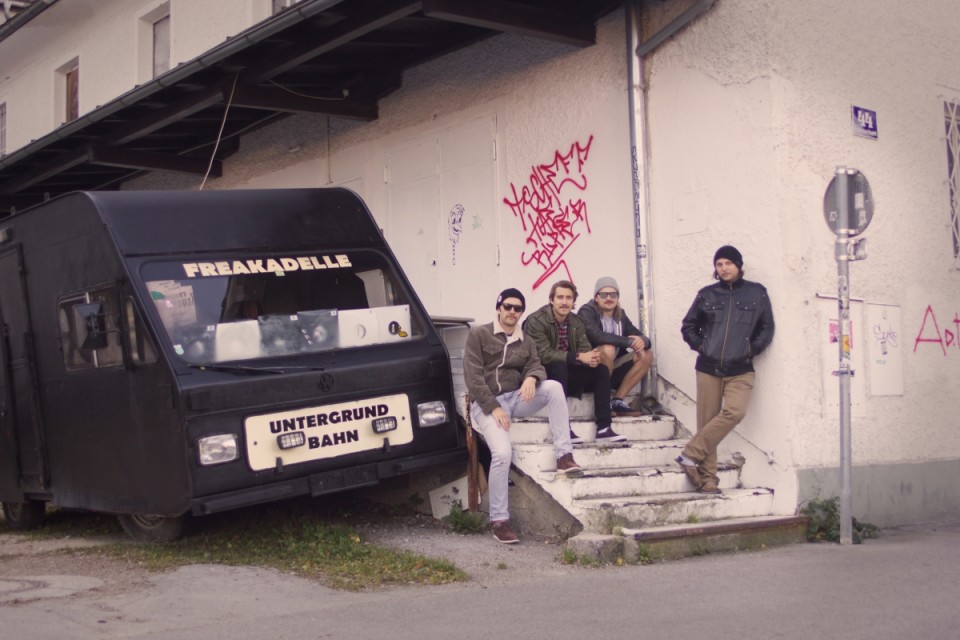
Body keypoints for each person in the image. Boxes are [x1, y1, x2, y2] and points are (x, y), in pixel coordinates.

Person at [463, 288, 583, 544]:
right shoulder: (479, 334)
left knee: (553, 388)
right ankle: (499, 520)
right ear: (499, 308)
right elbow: (472, 378)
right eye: (507, 306)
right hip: (486, 405)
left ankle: (564, 455)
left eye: (517, 308)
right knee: (503, 454)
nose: (512, 312)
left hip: (515, 399)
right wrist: (493, 407)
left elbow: (536, 364)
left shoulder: (525, 340)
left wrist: (531, 377)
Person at [677, 245, 775, 494]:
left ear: (738, 265)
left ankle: (691, 453)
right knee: (707, 421)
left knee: (735, 411)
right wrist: (703, 347)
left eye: (728, 263)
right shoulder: (706, 295)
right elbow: (689, 326)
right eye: (719, 264)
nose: (723, 268)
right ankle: (709, 480)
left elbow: (767, 327)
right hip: (708, 368)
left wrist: (750, 350)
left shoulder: (756, 293)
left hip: (741, 368)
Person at [523, 280, 626, 442]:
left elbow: (584, 347)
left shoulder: (576, 322)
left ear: (573, 301)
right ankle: (563, 429)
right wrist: (578, 357)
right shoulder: (537, 320)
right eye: (560, 297)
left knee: (601, 370)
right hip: (542, 375)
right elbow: (542, 354)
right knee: (559, 365)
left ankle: (604, 428)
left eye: (569, 298)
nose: (564, 302)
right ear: (552, 300)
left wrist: (590, 359)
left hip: (566, 373)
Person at [578, 277, 654, 416]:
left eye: (613, 294)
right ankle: (603, 401)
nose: (609, 298)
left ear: (617, 297)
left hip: (614, 369)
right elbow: (597, 336)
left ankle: (617, 401)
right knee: (608, 348)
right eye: (603, 294)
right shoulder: (586, 312)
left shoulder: (620, 315)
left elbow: (641, 336)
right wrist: (628, 342)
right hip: (591, 371)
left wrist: (642, 341)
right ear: (596, 297)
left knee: (647, 354)